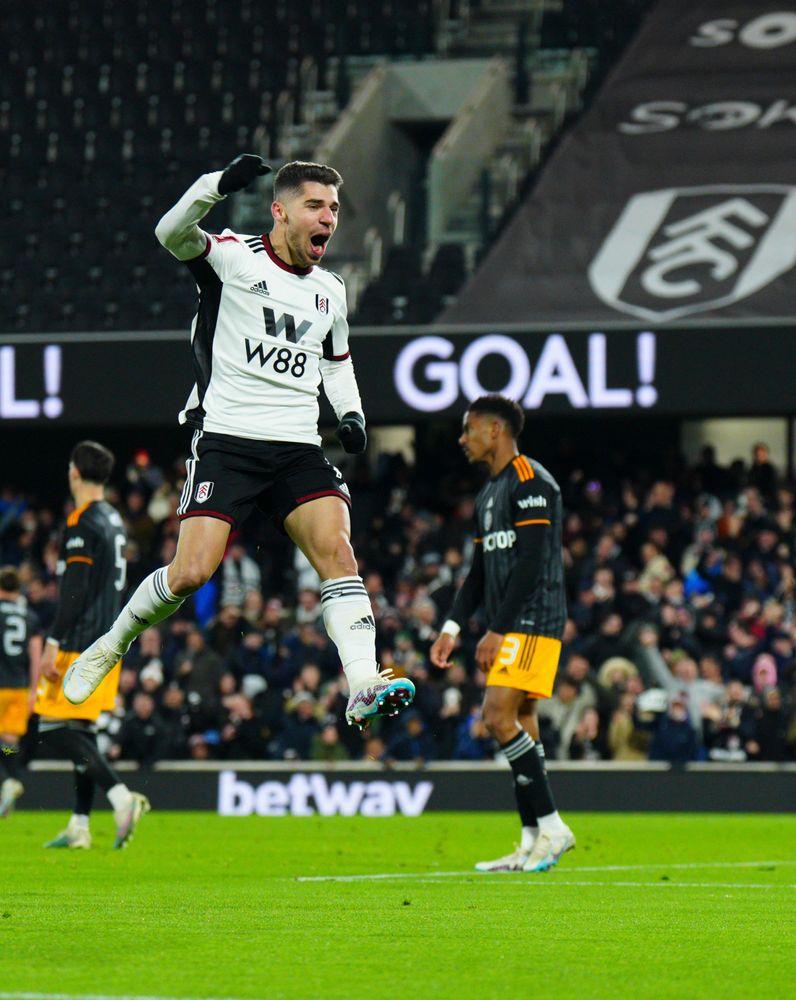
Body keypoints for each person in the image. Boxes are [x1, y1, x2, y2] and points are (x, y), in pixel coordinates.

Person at [64, 154, 414, 730]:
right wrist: (216, 185)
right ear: (279, 211)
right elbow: (168, 233)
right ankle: (113, 643)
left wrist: (351, 414)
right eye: (315, 206)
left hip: (299, 446)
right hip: (228, 438)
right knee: (191, 573)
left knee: (339, 554)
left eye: (334, 208)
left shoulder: (330, 289)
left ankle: (361, 683)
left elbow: (337, 362)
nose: (329, 217)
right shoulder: (231, 257)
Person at [430, 395, 575, 873]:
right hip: (512, 623)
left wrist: (495, 629)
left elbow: (531, 564)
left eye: (468, 429)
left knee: (496, 715)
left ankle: (553, 825)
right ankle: (532, 839)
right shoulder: (488, 493)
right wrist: (452, 626)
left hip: (533, 618)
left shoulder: (532, 481)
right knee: (523, 722)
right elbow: (478, 572)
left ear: (494, 430)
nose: (462, 439)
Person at [34, 441, 149, 849]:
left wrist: (52, 641)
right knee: (82, 730)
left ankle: (121, 798)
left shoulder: (82, 520)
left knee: (50, 728)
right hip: (109, 641)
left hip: (80, 642)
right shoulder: (114, 519)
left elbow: (74, 590)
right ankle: (80, 824)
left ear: (74, 473)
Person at [0, 566, 42, 817]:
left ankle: (6, 781)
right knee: (9, 742)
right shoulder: (30, 616)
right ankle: (9, 786)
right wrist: (34, 689)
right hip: (19, 686)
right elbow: (35, 656)